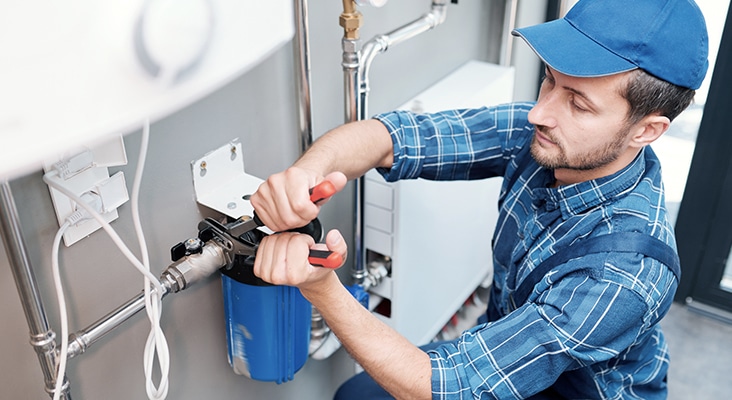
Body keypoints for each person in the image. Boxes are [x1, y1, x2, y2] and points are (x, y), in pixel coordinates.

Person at [250, 0, 709, 398]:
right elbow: (393, 137)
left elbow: (443, 388)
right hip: (513, 347)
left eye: (579, 104)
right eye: (549, 81)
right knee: (358, 394)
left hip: (577, 392)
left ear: (647, 130)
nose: (539, 112)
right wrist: (306, 172)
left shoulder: (625, 273)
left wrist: (320, 288)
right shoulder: (547, 138)